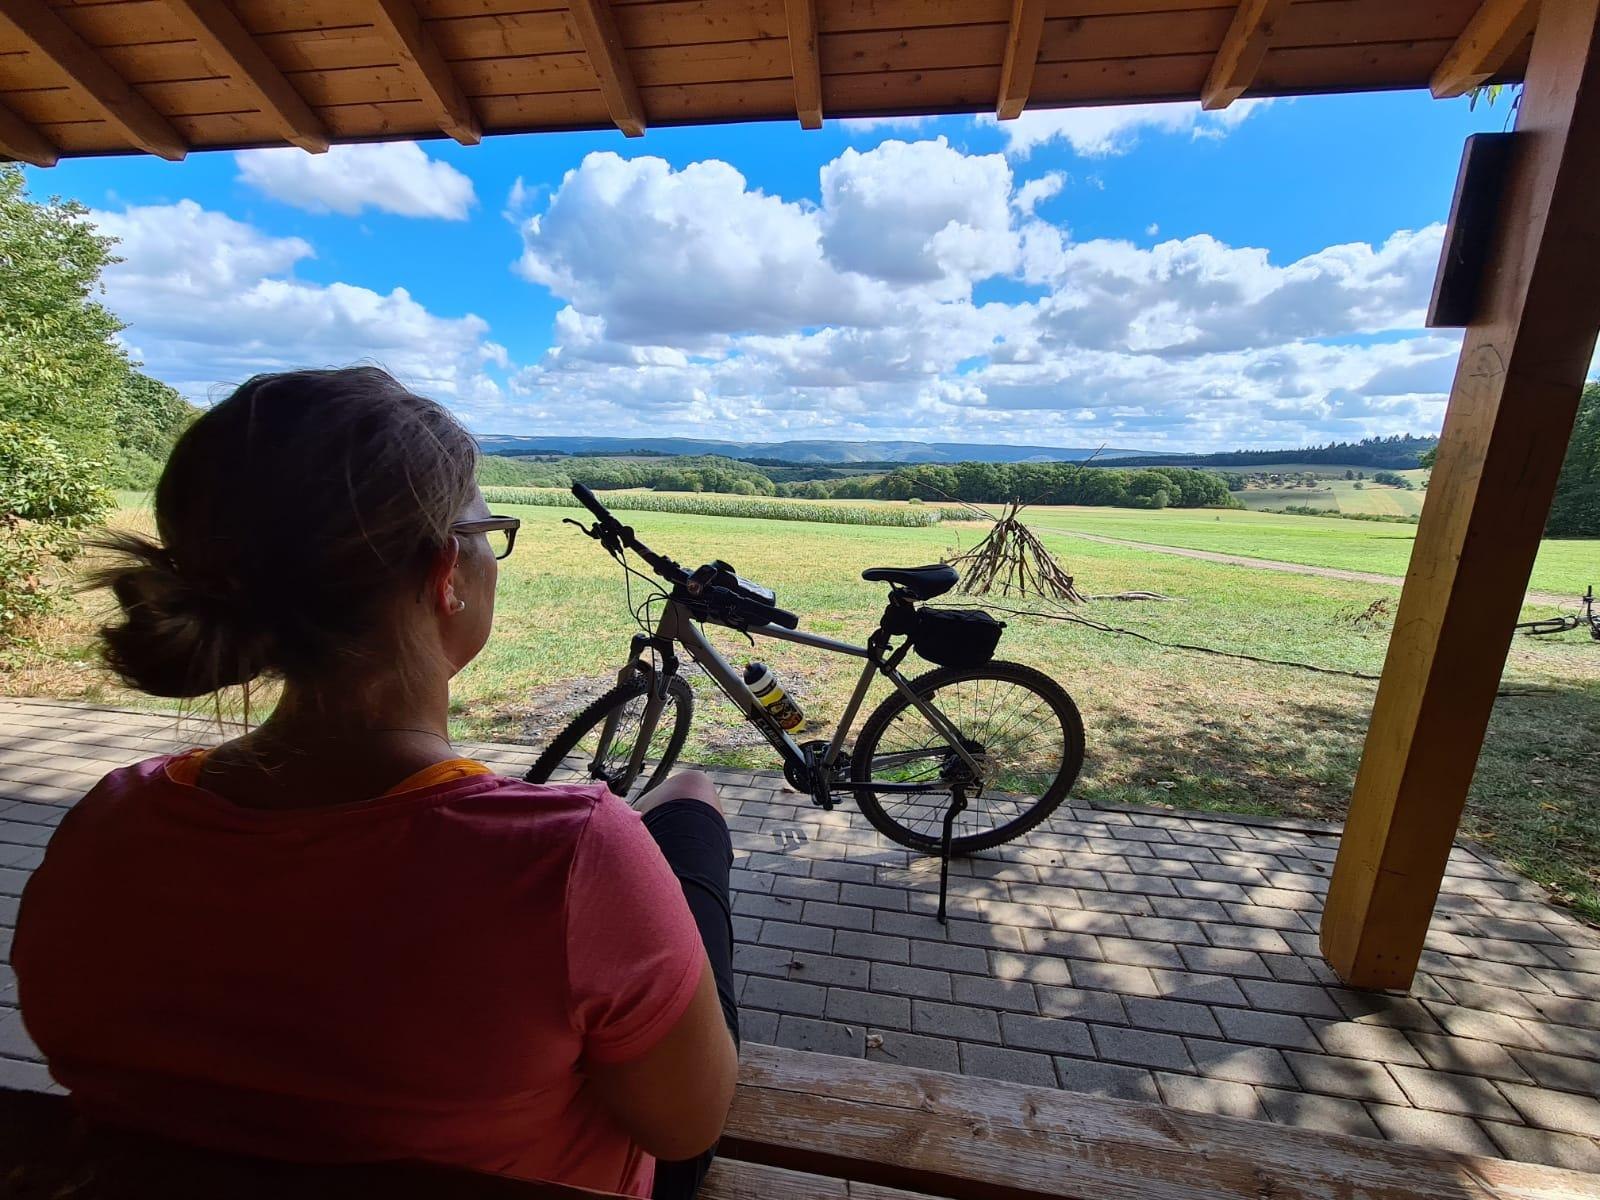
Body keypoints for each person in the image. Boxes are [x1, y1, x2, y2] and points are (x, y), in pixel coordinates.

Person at [13, 367, 739, 1199]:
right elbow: (686, 1128)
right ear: (445, 573)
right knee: (691, 804)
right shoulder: (569, 854)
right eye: (488, 530)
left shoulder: (110, 824)